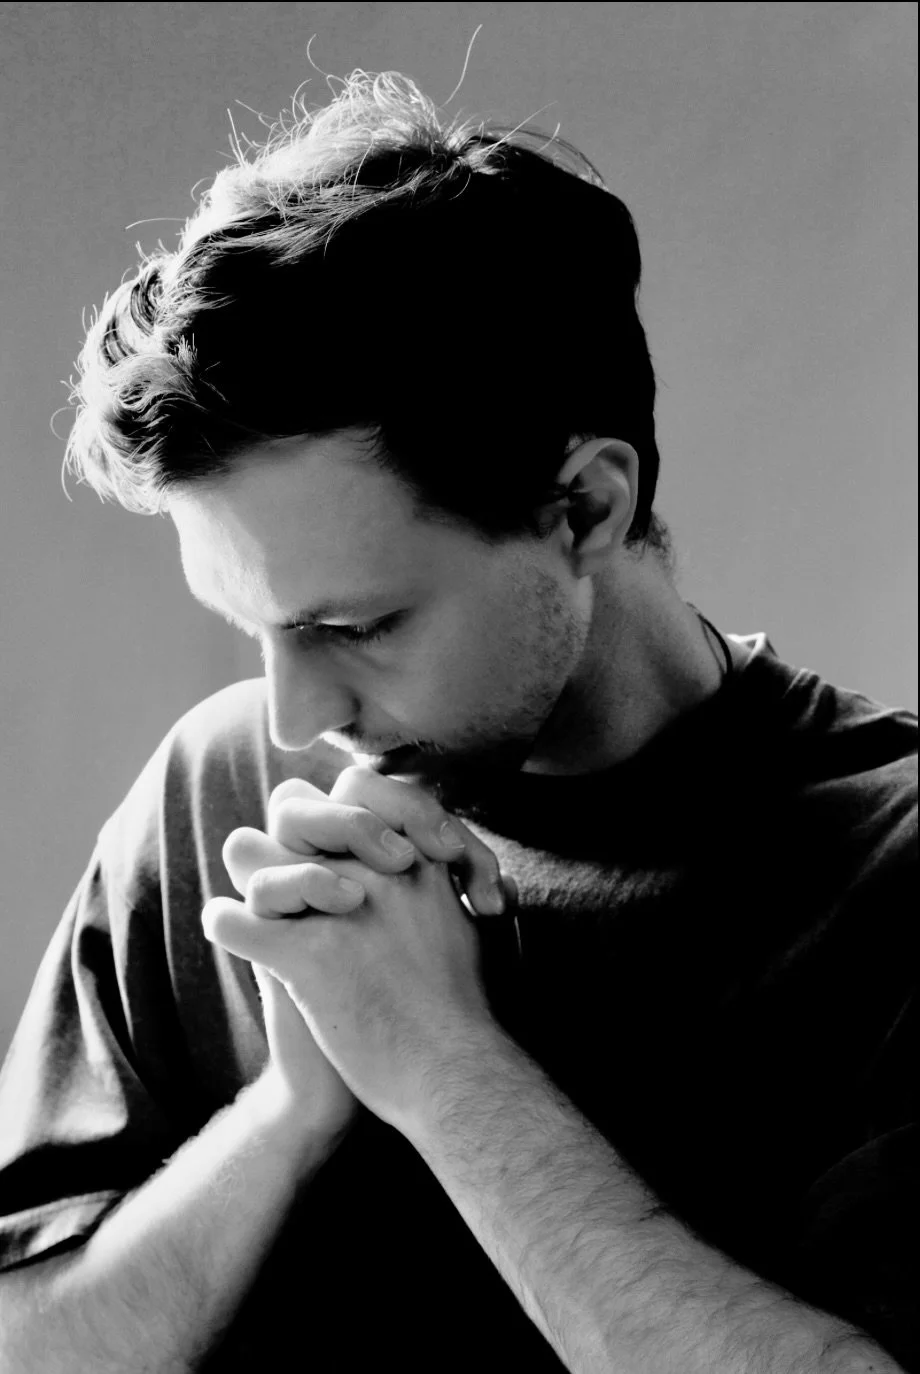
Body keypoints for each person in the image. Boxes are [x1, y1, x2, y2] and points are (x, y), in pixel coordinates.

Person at [0, 65, 916, 1374]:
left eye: (358, 626)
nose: (295, 715)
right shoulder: (214, 800)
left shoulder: (891, 877)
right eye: (256, 627)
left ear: (585, 508)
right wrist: (284, 1116)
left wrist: (439, 1065)